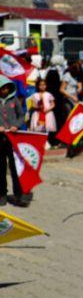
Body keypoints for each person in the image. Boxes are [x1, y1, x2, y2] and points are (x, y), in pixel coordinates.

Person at [0, 76, 26, 206]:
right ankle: (2, 194)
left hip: (13, 139)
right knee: (1, 168)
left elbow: (21, 115)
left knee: (15, 167)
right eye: (2, 88)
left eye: (7, 88)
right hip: (0, 139)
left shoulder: (14, 100)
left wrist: (16, 125)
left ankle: (18, 195)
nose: (5, 90)